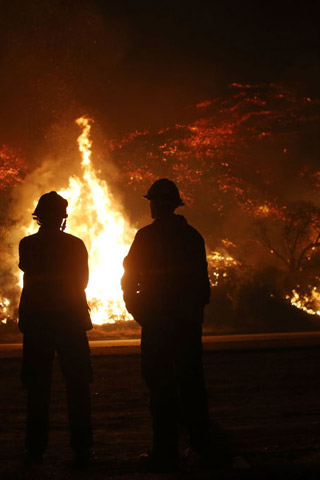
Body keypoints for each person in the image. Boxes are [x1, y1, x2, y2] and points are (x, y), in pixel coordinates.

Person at [121, 178, 211, 472]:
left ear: (155, 206)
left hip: (158, 322)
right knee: (191, 384)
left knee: (160, 386)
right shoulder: (193, 237)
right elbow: (202, 284)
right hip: (186, 321)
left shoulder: (146, 237)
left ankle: (165, 453)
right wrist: (193, 312)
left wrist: (140, 312)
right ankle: (200, 448)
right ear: (175, 205)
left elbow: (129, 279)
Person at [18, 191, 94, 469]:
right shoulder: (75, 246)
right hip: (70, 321)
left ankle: (35, 449)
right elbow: (82, 281)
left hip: (38, 323)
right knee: (78, 385)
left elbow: (27, 269)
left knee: (38, 387)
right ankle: (83, 449)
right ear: (63, 217)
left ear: (39, 216)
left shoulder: (27, 244)